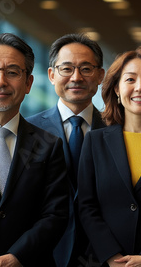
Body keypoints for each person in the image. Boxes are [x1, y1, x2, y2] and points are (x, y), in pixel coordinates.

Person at [0, 33, 68, 266]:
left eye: (12, 72)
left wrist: (17, 257)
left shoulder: (49, 145)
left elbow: (55, 214)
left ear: (28, 83)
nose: (0, 81)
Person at [78, 47, 141, 267]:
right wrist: (111, 255)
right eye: (130, 79)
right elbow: (86, 206)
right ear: (116, 89)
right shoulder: (95, 141)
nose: (140, 87)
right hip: (101, 260)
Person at [26, 33, 106, 266]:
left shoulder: (117, 131)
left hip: (102, 253)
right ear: (51, 75)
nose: (76, 77)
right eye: (67, 69)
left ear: (100, 75)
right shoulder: (26, 131)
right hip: (42, 254)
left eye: (86, 69)